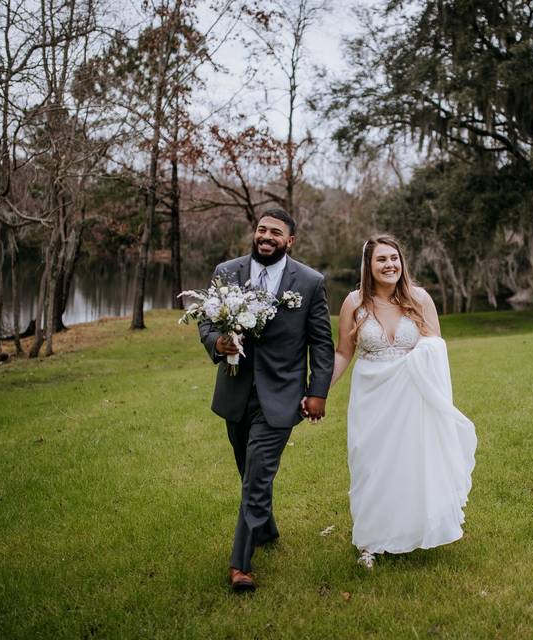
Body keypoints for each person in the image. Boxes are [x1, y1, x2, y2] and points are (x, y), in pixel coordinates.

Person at [198, 209, 334, 592]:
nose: (266, 236)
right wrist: (217, 343)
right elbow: (206, 322)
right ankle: (268, 528)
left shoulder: (309, 282)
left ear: (290, 240)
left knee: (257, 478)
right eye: (261, 229)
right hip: (235, 391)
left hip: (282, 395)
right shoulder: (227, 271)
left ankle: (240, 564)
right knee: (248, 471)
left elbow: (321, 344)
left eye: (276, 231)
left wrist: (317, 391)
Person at [330, 234, 477, 568]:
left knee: (410, 464)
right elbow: (343, 353)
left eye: (394, 258)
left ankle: (410, 532)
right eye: (381, 259)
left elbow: (436, 346)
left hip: (412, 395)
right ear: (368, 265)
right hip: (371, 397)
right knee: (370, 466)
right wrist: (317, 392)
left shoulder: (419, 298)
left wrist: (421, 361)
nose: (390, 265)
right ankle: (369, 541)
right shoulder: (354, 303)